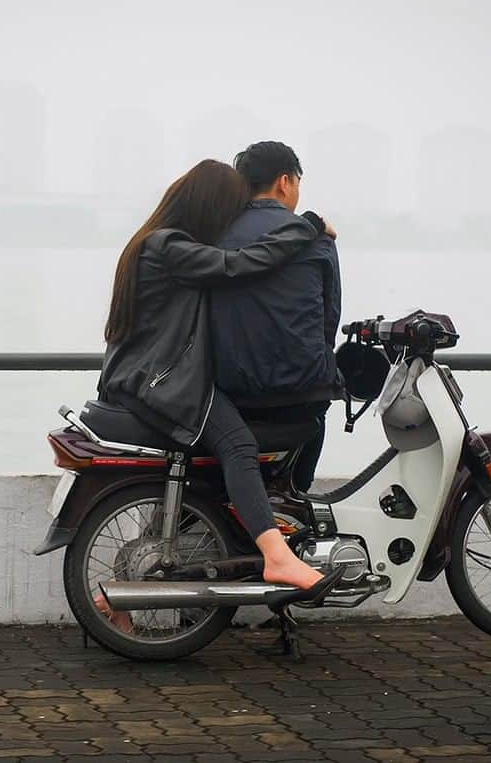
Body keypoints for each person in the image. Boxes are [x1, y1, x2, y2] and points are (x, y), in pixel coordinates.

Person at [92, 160, 333, 630]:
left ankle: (122, 596)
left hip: (144, 378)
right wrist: (306, 228)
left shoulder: (153, 242)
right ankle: (276, 555)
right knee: (237, 444)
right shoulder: (169, 247)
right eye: (229, 209)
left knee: (203, 473)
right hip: (157, 383)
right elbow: (239, 263)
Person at [210, 141, 343, 492]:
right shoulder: (316, 238)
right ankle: (295, 493)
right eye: (298, 182)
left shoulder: (215, 236)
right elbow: (328, 321)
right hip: (300, 396)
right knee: (321, 401)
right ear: (285, 182)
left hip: (230, 393)